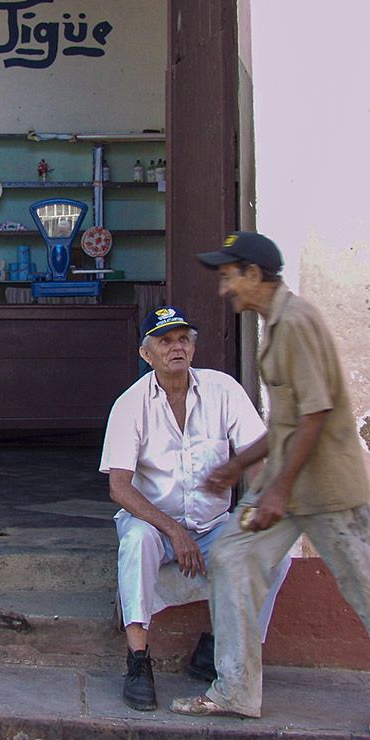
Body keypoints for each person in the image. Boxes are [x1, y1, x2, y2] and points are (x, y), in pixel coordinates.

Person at [170, 231, 370, 739]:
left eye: (230, 276)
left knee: (366, 590)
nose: (225, 288)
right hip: (286, 486)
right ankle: (236, 690)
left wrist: (275, 491)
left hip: (326, 493)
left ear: (254, 275)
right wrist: (239, 464)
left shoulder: (295, 322)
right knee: (230, 558)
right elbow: (287, 422)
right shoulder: (277, 325)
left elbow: (317, 413)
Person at [100, 305, 290, 711]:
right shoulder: (130, 405)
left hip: (213, 525)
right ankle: (138, 661)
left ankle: (225, 650)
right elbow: (119, 487)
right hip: (155, 524)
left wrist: (255, 509)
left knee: (278, 547)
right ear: (146, 354)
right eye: (164, 341)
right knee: (135, 542)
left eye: (183, 339)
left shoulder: (223, 390)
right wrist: (173, 529)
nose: (176, 347)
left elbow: (254, 456)